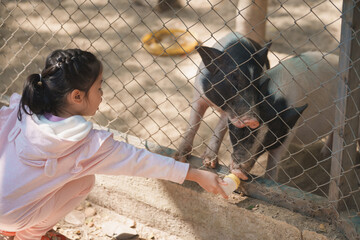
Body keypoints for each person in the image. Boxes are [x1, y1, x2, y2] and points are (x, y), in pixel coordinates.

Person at [0, 49, 227, 240]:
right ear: (77, 97)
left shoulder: (21, 110)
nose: (102, 93)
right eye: (98, 88)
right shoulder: (85, 145)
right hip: (11, 215)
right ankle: (28, 236)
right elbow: (139, 161)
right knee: (84, 182)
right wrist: (196, 175)